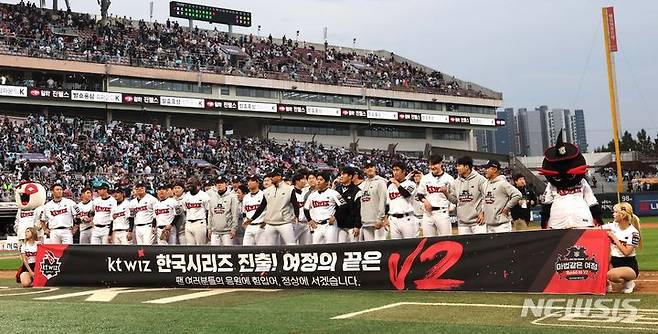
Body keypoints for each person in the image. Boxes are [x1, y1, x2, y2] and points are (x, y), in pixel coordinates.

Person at [247, 168, 299, 246]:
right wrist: (252, 218)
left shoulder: (289, 189)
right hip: (270, 223)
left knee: (291, 245)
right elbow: (262, 206)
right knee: (269, 247)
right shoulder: (267, 190)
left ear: (279, 176)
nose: (271, 178)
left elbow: (295, 205)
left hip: (284, 223)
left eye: (273, 176)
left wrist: (296, 216)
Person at [603, 202, 642, 294]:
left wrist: (614, 237)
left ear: (623, 215)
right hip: (614, 262)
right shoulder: (613, 226)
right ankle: (606, 284)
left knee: (611, 275)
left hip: (629, 266)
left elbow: (626, 252)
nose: (613, 214)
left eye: (616, 212)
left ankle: (629, 282)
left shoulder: (633, 232)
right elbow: (597, 229)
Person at [448, 156, 487, 235]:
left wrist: (483, 212)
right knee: (466, 247)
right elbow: (455, 200)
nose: (457, 168)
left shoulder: (480, 179)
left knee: (481, 246)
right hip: (462, 223)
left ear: (466, 167)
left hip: (477, 221)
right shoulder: (456, 182)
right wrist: (446, 193)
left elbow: (487, 196)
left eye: (459, 166)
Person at [416, 155, 454, 237]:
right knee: (428, 242)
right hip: (428, 214)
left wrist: (450, 203)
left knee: (446, 240)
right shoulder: (425, 178)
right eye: (430, 165)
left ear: (441, 164)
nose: (432, 167)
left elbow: (454, 196)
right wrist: (425, 201)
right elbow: (420, 194)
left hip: (442, 212)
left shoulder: (449, 178)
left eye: (434, 164)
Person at [304, 171, 345, 244]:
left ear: (326, 182)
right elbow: (306, 209)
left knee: (331, 247)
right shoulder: (312, 195)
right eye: (318, 179)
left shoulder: (333, 193)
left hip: (330, 225)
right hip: (317, 225)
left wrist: (335, 216)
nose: (318, 181)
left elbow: (343, 205)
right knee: (316, 247)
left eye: (321, 180)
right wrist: (309, 220)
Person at [482, 160, 522, 233]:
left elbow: (517, 195)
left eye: (488, 168)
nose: (485, 170)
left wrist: (507, 208)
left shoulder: (503, 183)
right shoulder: (485, 184)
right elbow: (484, 200)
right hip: (489, 224)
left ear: (494, 170)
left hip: (502, 225)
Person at [385, 162, 417, 239]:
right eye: (393, 170)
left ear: (403, 171)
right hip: (393, 219)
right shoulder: (390, 186)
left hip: (406, 219)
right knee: (396, 247)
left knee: (410, 246)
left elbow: (406, 194)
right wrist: (385, 218)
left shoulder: (410, 184)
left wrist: (396, 183)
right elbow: (388, 203)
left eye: (397, 170)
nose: (395, 172)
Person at [359, 161, 388, 241]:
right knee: (369, 248)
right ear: (364, 170)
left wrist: (380, 218)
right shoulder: (363, 184)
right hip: (366, 221)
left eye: (371, 167)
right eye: (367, 168)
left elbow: (383, 200)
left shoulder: (381, 182)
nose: (369, 169)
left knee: (381, 247)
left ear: (375, 168)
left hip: (377, 221)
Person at [207, 177, 239, 246]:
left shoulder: (232, 196)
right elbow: (210, 214)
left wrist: (234, 228)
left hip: (227, 231)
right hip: (215, 231)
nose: (219, 185)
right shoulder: (212, 197)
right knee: (214, 254)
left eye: (221, 183)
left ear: (226, 184)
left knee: (227, 253)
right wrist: (209, 228)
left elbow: (235, 213)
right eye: (218, 183)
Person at [334, 167, 362, 243]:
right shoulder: (337, 190)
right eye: (340, 174)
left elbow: (358, 209)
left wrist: (357, 226)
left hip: (352, 226)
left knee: (354, 249)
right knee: (341, 248)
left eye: (344, 174)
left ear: (350, 176)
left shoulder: (357, 191)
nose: (341, 176)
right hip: (340, 226)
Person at [181, 177, 210, 245]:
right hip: (188, 223)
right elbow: (185, 210)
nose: (189, 185)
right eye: (188, 184)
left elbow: (208, 211)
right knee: (189, 246)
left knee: (200, 246)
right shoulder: (185, 196)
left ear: (197, 185)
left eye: (191, 183)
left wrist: (208, 225)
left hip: (200, 222)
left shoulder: (204, 196)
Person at [129, 180, 158, 245]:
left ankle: (148, 256)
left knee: (147, 247)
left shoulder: (152, 199)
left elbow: (155, 214)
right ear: (135, 189)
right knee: (140, 249)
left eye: (142, 187)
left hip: (148, 227)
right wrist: (130, 230)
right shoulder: (132, 202)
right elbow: (131, 217)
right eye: (138, 187)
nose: (140, 189)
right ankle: (142, 256)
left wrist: (154, 226)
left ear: (145, 188)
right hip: (137, 227)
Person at [241, 175, 265, 246]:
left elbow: (269, 210)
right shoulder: (246, 197)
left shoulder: (263, 194)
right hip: (249, 226)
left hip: (260, 226)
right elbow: (244, 212)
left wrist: (266, 221)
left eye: (252, 181)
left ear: (257, 183)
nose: (249, 182)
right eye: (248, 181)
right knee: (245, 250)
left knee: (261, 250)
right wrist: (245, 220)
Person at [291, 173, 312, 245]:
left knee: (306, 246)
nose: (305, 181)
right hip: (295, 223)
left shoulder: (305, 192)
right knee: (291, 244)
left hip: (306, 223)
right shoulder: (290, 192)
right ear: (297, 181)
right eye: (303, 179)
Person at [172, 180, 186, 245]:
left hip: (184, 229)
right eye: (175, 188)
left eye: (178, 188)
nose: (176, 190)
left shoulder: (186, 198)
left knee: (185, 249)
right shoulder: (171, 200)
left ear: (183, 189)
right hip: (174, 228)